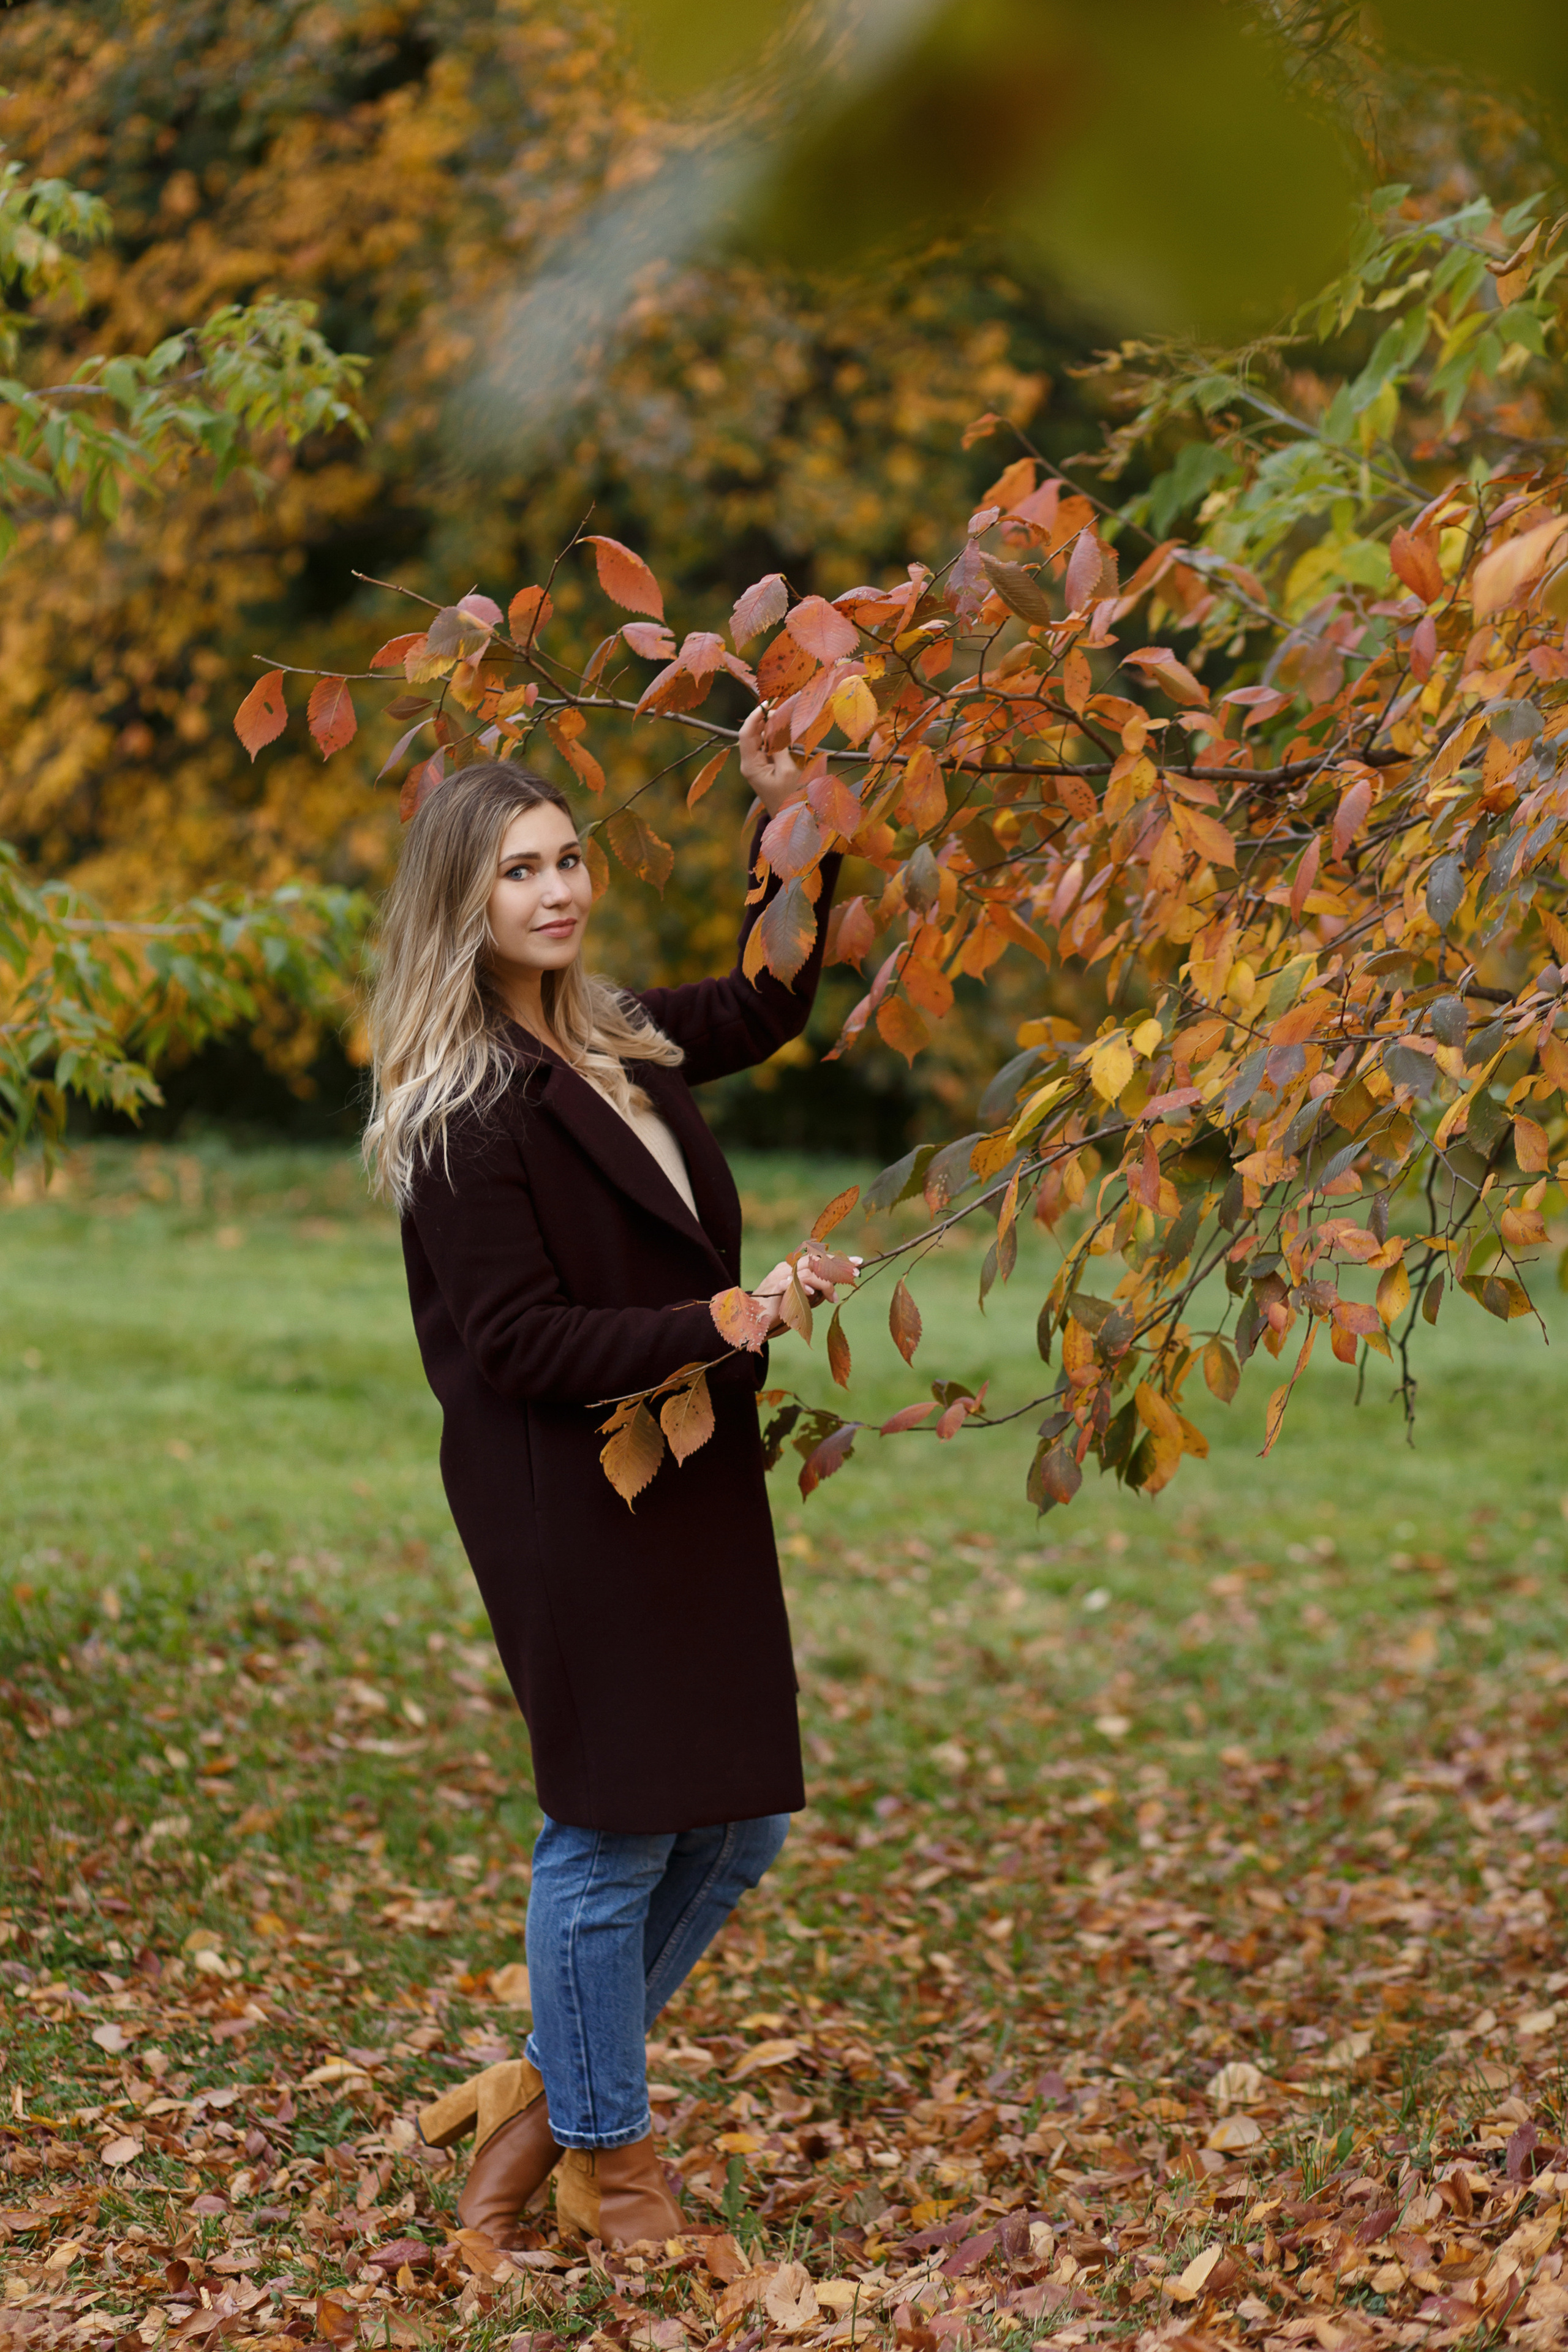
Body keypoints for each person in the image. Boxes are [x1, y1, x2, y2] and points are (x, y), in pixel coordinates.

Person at [363, 709, 851, 2252]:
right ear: (464, 902)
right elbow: (516, 1341)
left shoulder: (607, 1032)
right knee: (612, 1830)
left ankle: (539, 2091)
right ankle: (607, 2163)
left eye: (568, 859)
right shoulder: (460, 1105)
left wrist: (796, 831)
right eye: (518, 872)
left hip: (682, 1470)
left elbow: (768, 1000)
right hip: (565, 1502)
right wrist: (730, 1313)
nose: (557, 891)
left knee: (734, 1830)